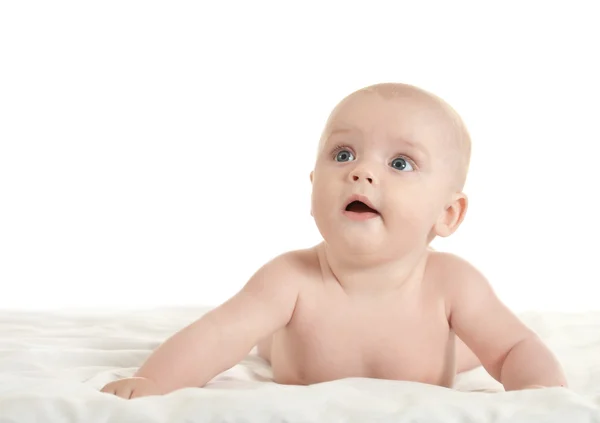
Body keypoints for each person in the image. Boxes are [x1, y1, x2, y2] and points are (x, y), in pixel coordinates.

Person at [101, 82, 567, 399]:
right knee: (254, 327)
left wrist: (543, 400)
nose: (359, 171)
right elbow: (219, 334)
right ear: (312, 188)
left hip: (441, 335)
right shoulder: (291, 279)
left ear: (447, 214)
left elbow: (511, 350)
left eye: (400, 163)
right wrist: (151, 382)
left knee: (479, 341)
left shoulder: (452, 285)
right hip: (281, 337)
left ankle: (459, 345)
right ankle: (272, 334)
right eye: (343, 154)